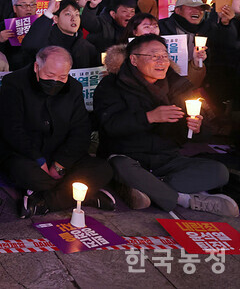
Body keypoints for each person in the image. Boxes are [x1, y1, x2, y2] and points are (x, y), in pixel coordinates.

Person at [93, 34, 238, 216]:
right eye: (154, 56)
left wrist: (197, 128)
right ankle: (185, 199)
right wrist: (149, 117)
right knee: (119, 165)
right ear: (134, 59)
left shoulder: (178, 85)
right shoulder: (112, 85)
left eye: (164, 56)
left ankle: (146, 188)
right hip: (129, 157)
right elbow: (109, 126)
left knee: (219, 172)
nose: (161, 61)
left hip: (167, 160)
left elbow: (201, 131)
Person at [0, 46, 115, 218]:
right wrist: (39, 160)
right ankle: (83, 196)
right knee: (29, 175)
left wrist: (60, 164)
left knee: (103, 169)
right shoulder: (14, 83)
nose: (56, 82)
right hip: (26, 154)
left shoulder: (74, 88)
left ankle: (43, 202)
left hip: (61, 155)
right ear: (37, 67)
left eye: (62, 77)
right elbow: (12, 129)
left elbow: (81, 130)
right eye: (50, 76)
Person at [21, 0, 100, 68]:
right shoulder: (45, 42)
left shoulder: (88, 48)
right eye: (68, 14)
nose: (74, 19)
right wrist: (49, 12)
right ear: (56, 19)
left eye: (76, 14)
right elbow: (30, 45)